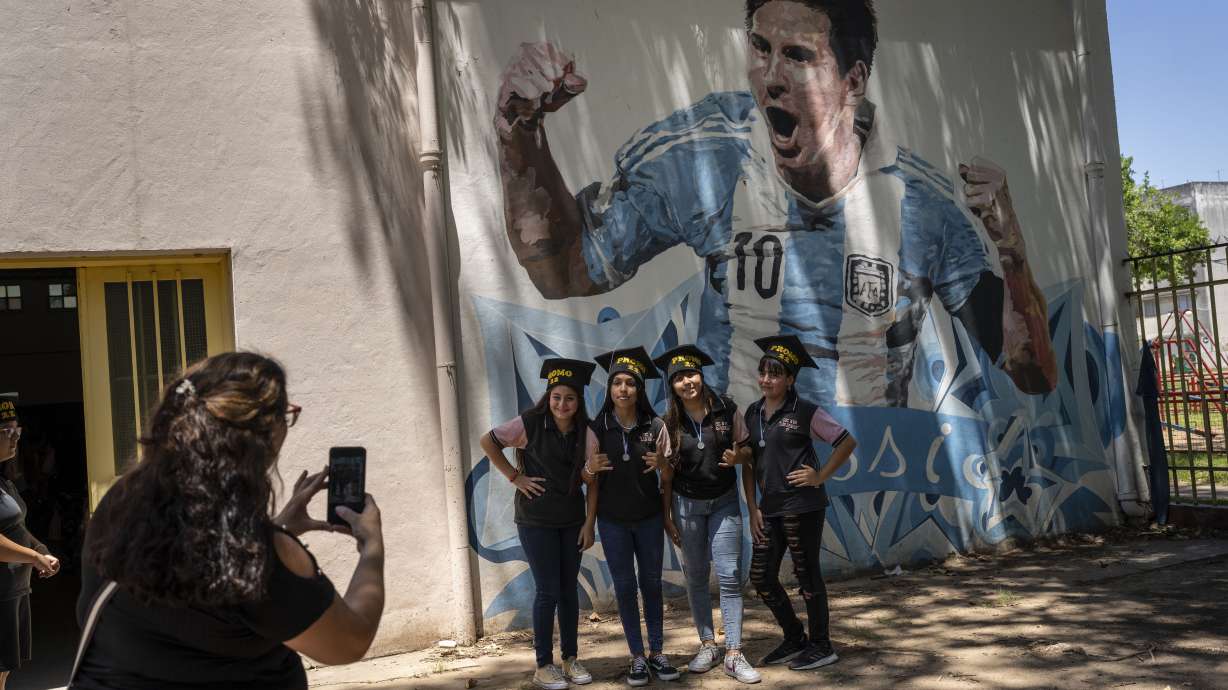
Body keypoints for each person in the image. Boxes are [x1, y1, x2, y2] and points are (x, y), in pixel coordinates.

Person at [492, 0, 1056, 411]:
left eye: (799, 56)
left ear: (852, 80)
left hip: (864, 484)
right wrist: (520, 134)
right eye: (760, 49)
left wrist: (1012, 250)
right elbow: (562, 271)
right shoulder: (703, 155)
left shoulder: (921, 204)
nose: (772, 78)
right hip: (727, 475)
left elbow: (1033, 374)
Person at [69, 352, 385, 690]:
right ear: (263, 434)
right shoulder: (255, 555)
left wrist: (280, 528)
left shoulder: (121, 503)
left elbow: (199, 569)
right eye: (286, 415)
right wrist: (371, 547)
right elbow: (349, 640)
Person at [478, 358, 601, 690]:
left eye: (570, 398)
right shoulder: (528, 423)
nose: (562, 404)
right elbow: (488, 441)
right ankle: (543, 664)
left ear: (579, 403)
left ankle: (571, 659)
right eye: (556, 397)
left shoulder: (586, 434)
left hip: (572, 521)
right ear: (548, 397)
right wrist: (514, 476)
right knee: (547, 591)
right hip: (535, 522)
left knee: (568, 591)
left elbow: (593, 484)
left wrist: (589, 524)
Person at [743, 336, 856, 671]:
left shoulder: (805, 412)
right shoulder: (752, 412)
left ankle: (822, 645)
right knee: (761, 577)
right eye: (763, 372)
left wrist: (819, 476)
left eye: (776, 374)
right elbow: (749, 462)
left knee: (807, 575)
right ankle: (794, 636)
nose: (767, 379)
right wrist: (753, 508)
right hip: (770, 508)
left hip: (803, 506)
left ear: (790, 379)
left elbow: (846, 442)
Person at [652, 346, 760, 684]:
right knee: (696, 576)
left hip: (725, 503)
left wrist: (739, 458)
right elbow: (667, 474)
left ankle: (734, 653)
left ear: (702, 375)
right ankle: (708, 644)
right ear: (672, 386)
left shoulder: (727, 409)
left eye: (692, 374)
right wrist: (668, 516)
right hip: (686, 507)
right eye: (679, 378)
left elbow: (749, 453)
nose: (687, 382)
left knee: (729, 575)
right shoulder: (668, 422)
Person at [583, 347, 678, 686]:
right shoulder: (597, 428)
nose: (623, 389)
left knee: (651, 584)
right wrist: (587, 472)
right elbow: (589, 481)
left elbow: (667, 480)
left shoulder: (656, 426)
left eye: (630, 383)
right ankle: (637, 656)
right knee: (624, 587)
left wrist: (664, 468)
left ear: (640, 390)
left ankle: (657, 652)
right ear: (609, 389)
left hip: (649, 519)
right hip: (613, 522)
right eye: (617, 383)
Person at [0, 393, 59, 690]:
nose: (14, 439)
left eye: (17, 432)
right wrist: (33, 558)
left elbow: (16, 528)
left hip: (13, 591)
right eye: (6, 432)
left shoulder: (4, 481)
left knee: (4, 672)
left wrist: (40, 549)